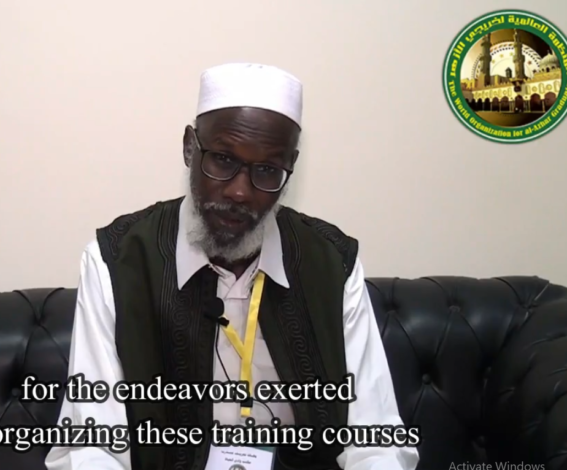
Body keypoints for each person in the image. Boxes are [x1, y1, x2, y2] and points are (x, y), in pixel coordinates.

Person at [45, 63, 419, 470]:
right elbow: (94, 446)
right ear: (190, 148)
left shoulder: (331, 262)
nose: (240, 192)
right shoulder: (118, 260)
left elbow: (376, 441)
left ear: (290, 166)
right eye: (223, 160)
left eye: (267, 170)